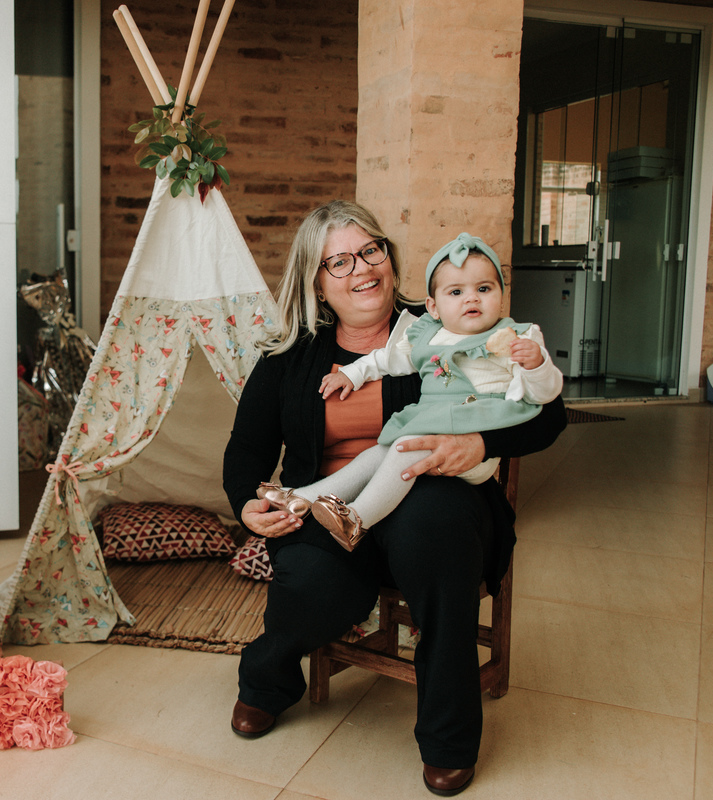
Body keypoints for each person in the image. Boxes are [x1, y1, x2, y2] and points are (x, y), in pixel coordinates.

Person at [222, 201, 566, 797]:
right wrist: (245, 504)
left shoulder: (443, 322)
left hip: (436, 499)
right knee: (310, 584)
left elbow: (548, 414)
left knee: (436, 542)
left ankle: (449, 739)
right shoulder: (292, 355)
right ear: (317, 283)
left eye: (372, 250)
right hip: (335, 506)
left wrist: (481, 441)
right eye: (341, 261)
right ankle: (268, 681)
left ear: (390, 255)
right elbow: (247, 447)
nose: (363, 268)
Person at [259, 232, 564, 551]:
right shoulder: (428, 334)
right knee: (379, 451)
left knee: (404, 445)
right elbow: (388, 358)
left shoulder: (517, 338)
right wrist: (352, 373)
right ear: (433, 306)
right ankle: (301, 498)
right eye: (456, 291)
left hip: (475, 441)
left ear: (502, 294)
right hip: (432, 423)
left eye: (484, 289)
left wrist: (537, 364)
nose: (471, 298)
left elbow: (545, 395)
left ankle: (355, 520)